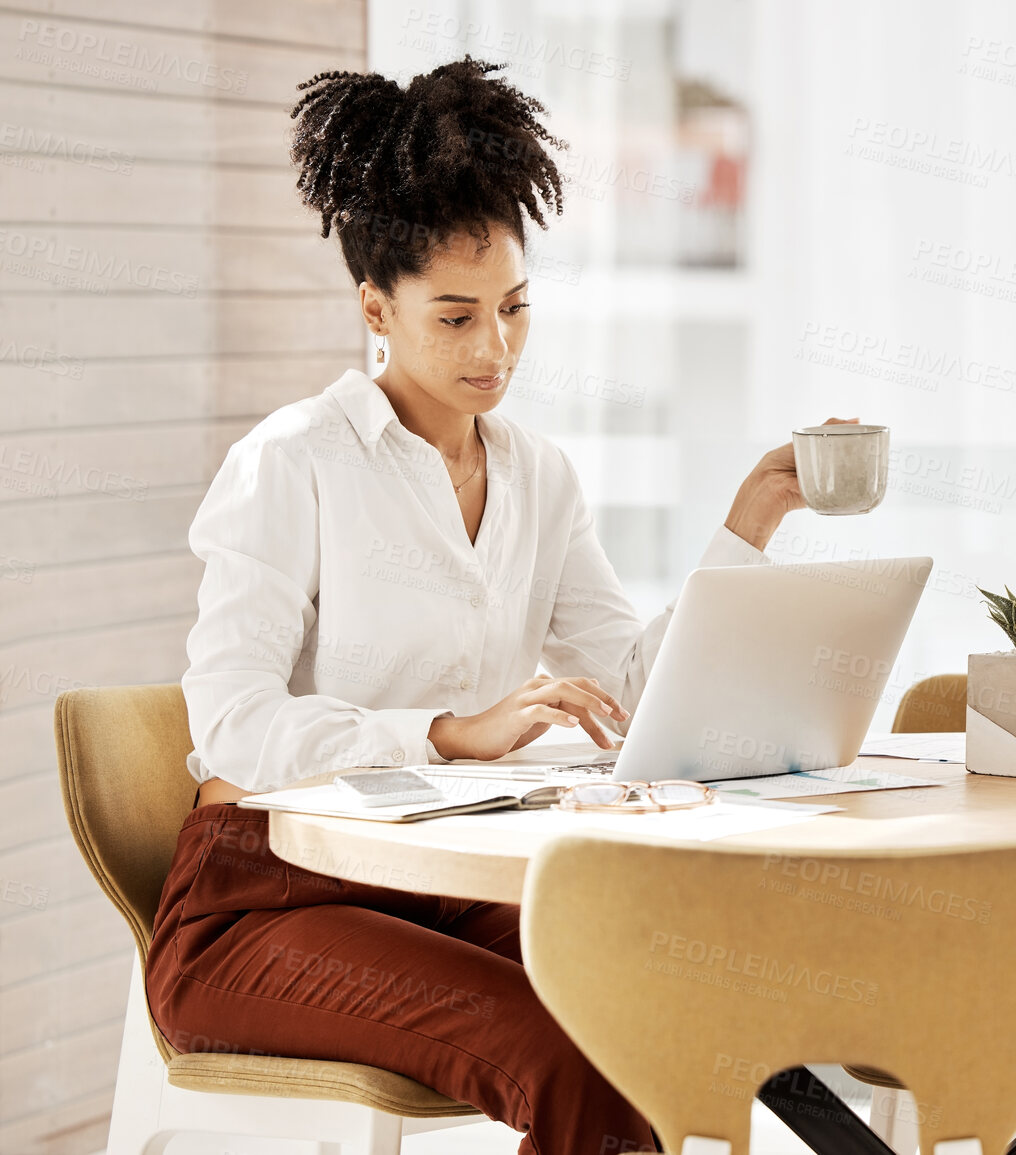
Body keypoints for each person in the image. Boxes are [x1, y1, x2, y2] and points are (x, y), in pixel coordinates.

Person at [145, 56, 854, 1155]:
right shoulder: (293, 463)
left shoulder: (540, 476)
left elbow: (629, 690)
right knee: (573, 1052)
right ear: (376, 306)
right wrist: (442, 736)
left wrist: (750, 519)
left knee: (672, 1000)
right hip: (264, 904)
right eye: (457, 316)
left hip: (439, 877)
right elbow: (229, 722)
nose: (497, 350)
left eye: (516, 310)